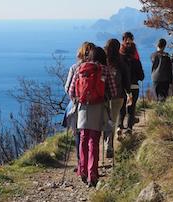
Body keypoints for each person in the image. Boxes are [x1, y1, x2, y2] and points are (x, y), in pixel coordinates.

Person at [69, 46, 117, 187]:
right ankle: (92, 174)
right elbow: (113, 91)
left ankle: (82, 170)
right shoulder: (105, 70)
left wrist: (80, 98)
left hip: (83, 108)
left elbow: (71, 91)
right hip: (99, 107)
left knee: (83, 138)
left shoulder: (81, 67)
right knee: (94, 141)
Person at [63, 42, 95, 172]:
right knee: (92, 135)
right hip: (94, 105)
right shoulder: (98, 67)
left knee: (78, 134)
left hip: (77, 105)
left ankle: (80, 162)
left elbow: (68, 89)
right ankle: (92, 163)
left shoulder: (75, 67)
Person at [103, 39, 131, 158]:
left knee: (104, 120)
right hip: (118, 96)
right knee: (112, 121)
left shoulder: (102, 60)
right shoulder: (120, 61)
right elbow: (126, 80)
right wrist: (129, 93)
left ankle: (102, 143)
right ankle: (109, 145)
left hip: (103, 97)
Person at [118, 42, 144, 136]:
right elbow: (141, 77)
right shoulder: (136, 61)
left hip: (123, 88)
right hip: (134, 87)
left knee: (121, 108)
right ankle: (129, 128)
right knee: (131, 109)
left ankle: (119, 126)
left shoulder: (120, 61)